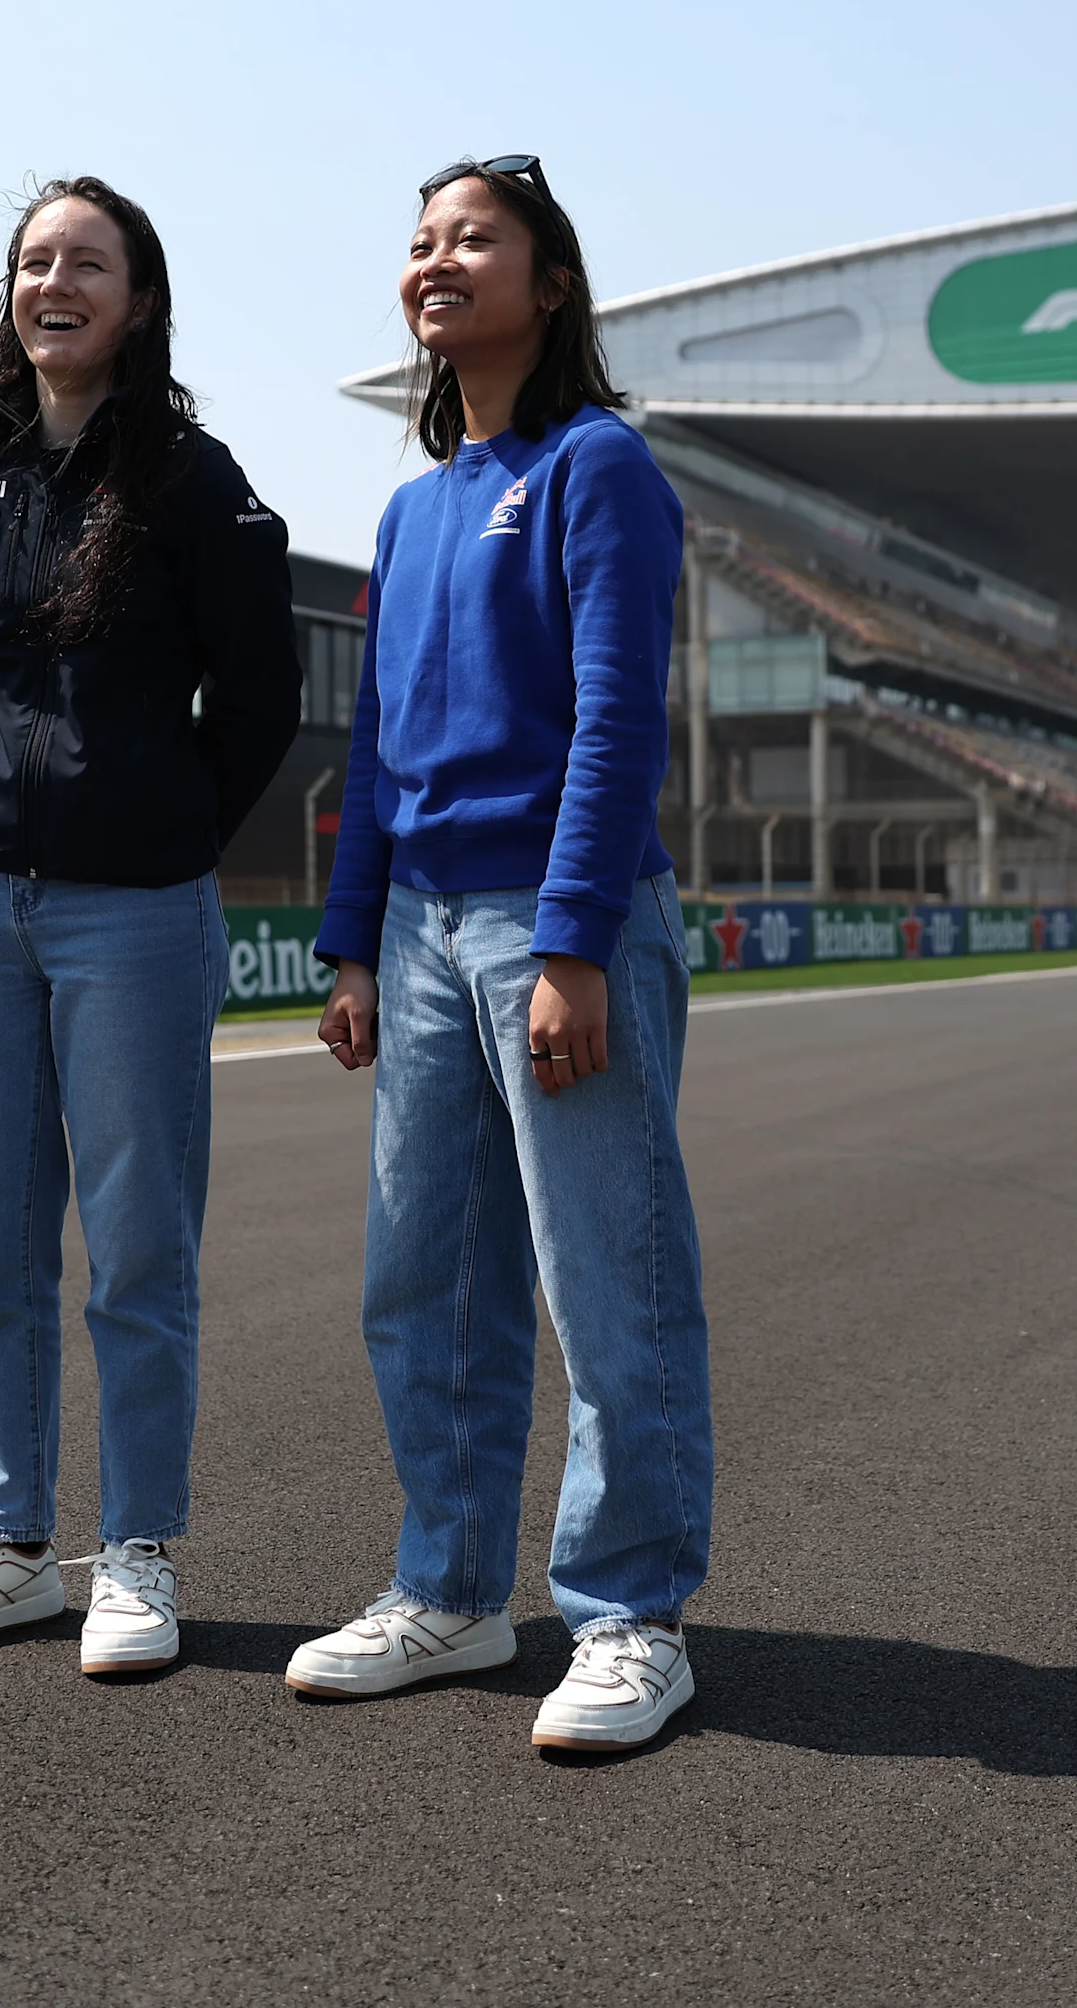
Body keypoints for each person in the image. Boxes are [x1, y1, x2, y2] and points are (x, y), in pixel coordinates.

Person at [294, 154, 713, 1754]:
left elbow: (616, 718)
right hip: (414, 934)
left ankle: (630, 1617)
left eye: (475, 237)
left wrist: (574, 942)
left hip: (554, 921)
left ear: (552, 284)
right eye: (421, 241)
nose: (437, 259)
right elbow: (379, 746)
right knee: (425, 1284)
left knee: (608, 1280)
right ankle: (452, 1593)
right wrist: (350, 944)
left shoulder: (602, 465)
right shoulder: (411, 512)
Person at [0, 178, 300, 1674]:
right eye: (33, 261)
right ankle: (9, 1548)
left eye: (88, 262)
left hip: (137, 914)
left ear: (139, 298)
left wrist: (160, 829)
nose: (56, 282)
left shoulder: (190, 476)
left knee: (135, 1256)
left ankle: (140, 1552)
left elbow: (260, 697)